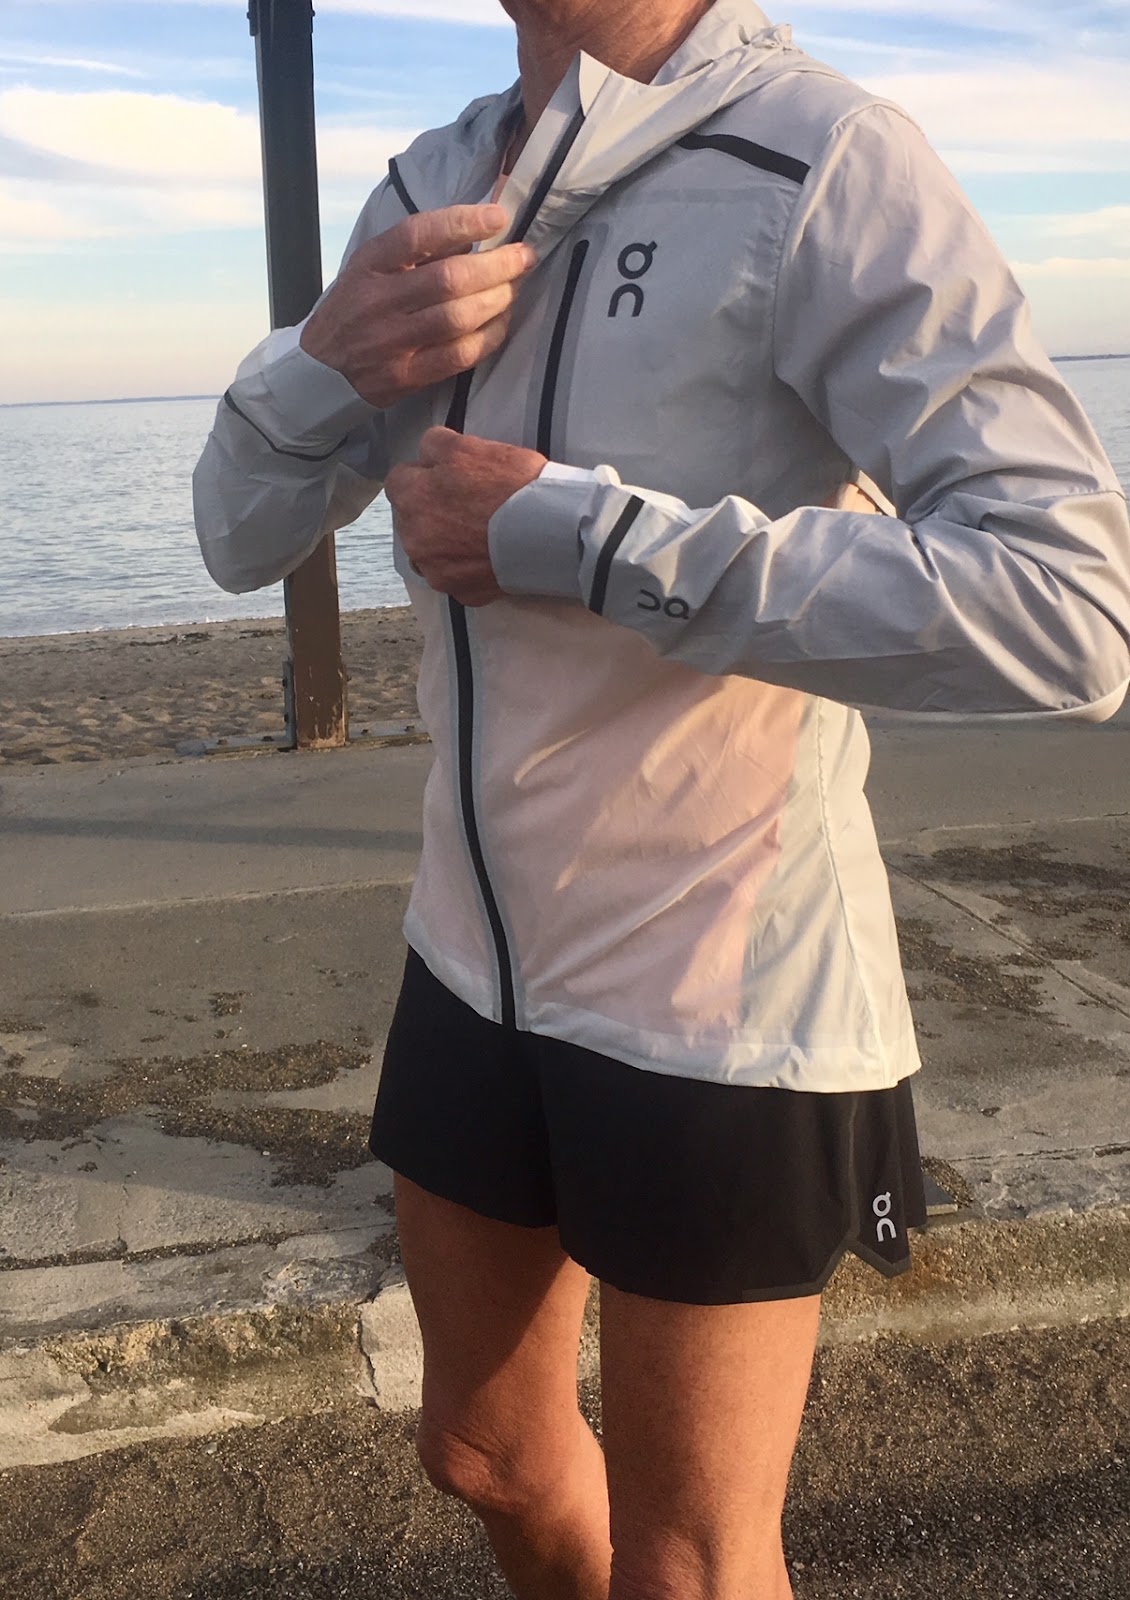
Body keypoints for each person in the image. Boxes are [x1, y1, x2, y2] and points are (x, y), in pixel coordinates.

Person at [193, 1, 1130, 1594]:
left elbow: (1066, 609)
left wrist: (589, 540)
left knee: (687, 1562)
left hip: (721, 991)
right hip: (469, 959)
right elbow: (237, 539)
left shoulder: (824, 157)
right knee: (481, 1453)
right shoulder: (428, 180)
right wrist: (317, 366)